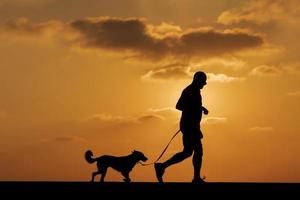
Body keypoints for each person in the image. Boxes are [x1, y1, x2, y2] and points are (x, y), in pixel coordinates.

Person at [154, 71, 209, 183]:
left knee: (188, 152)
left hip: (192, 126)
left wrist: (201, 108)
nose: (204, 84)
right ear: (197, 80)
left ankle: (162, 166)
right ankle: (196, 178)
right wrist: (194, 110)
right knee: (198, 150)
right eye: (203, 82)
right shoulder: (189, 90)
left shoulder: (195, 91)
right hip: (190, 126)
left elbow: (192, 105)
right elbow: (179, 106)